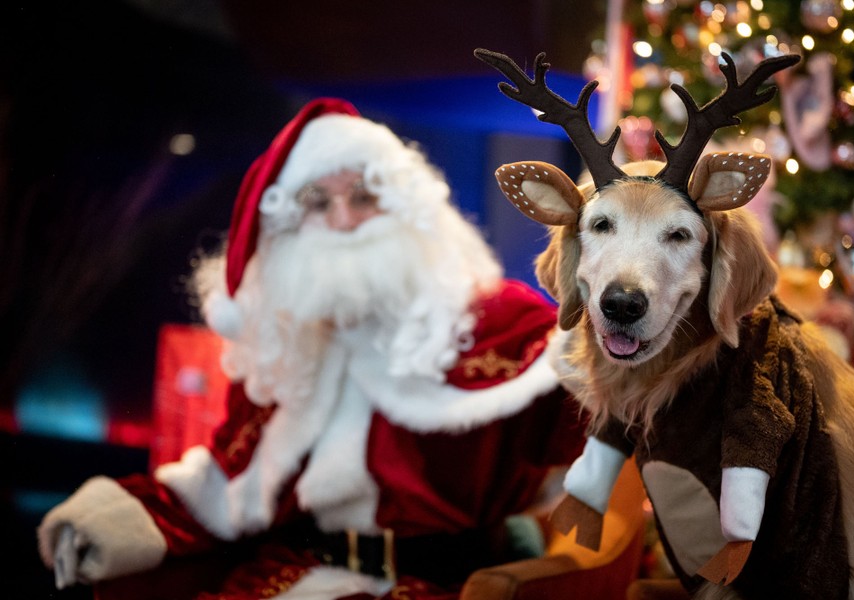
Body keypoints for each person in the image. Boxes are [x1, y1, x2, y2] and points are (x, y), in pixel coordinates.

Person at [37, 98, 587, 599]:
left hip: (441, 584)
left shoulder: (501, 321)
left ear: (408, 211)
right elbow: (225, 484)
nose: (343, 221)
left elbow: (597, 405)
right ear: (289, 227)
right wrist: (110, 520)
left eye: (364, 197)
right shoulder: (289, 347)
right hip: (290, 573)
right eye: (317, 202)